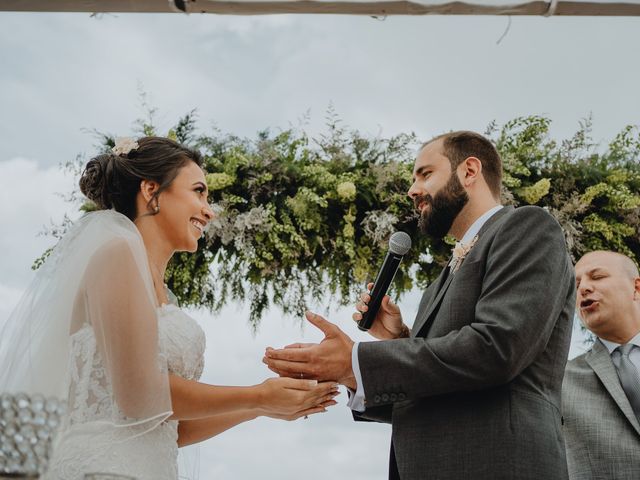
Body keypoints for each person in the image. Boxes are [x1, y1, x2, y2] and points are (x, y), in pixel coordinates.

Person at [0, 136, 338, 480]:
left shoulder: (164, 296)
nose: (209, 209)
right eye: (198, 191)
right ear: (151, 190)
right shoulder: (116, 254)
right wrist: (256, 395)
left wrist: (261, 406)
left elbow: (168, 428)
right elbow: (140, 396)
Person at [264, 131, 576, 480]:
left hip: (498, 463)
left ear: (469, 171)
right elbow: (435, 387)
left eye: (425, 174)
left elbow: (498, 348)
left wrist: (357, 363)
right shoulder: (439, 283)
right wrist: (395, 343)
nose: (412, 190)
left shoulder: (526, 226)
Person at [563, 250, 640, 479]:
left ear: (636, 288)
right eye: (576, 285)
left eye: (597, 277)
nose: (583, 288)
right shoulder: (559, 380)